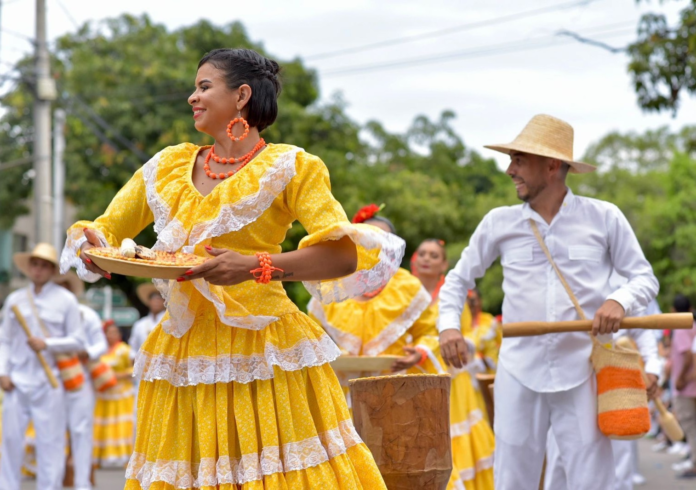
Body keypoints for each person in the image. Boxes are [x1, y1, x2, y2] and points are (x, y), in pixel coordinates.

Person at [60, 48, 403, 489]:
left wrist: (256, 265)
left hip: (265, 346)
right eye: (195, 87)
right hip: (184, 350)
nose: (191, 97)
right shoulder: (166, 166)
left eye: (204, 87)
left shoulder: (292, 166)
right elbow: (103, 227)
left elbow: (343, 255)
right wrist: (93, 245)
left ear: (241, 95)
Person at [437, 114, 659, 490]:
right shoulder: (498, 222)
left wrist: (618, 301)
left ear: (552, 165)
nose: (510, 170)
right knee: (512, 480)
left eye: (519, 160)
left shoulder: (604, 217)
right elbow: (458, 279)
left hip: (584, 370)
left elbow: (643, 278)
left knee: (592, 481)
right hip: (519, 371)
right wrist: (448, 327)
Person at [412, 238, 495, 489]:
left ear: (444, 265)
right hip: (411, 376)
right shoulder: (402, 291)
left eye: (434, 255)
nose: (427, 258)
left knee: (449, 435)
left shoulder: (451, 296)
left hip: (451, 380)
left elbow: (467, 337)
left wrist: (432, 349)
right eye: (422, 253)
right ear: (414, 260)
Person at [0, 243, 85, 490]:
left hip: (51, 381)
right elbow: (4, 339)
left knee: (50, 443)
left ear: (52, 270)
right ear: (29, 268)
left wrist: (47, 344)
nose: (39, 270)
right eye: (35, 264)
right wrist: (2, 372)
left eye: (45, 266)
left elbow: (78, 340)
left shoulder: (66, 300)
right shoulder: (15, 299)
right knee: (11, 442)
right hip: (16, 380)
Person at [54, 271, 108, 490]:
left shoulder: (86, 314)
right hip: (51, 379)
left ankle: (82, 483)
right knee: (52, 432)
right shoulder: (46, 315)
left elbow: (101, 344)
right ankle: (53, 482)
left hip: (80, 377)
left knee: (81, 430)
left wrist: (87, 352)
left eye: (66, 288)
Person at [92, 320, 134, 468]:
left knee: (121, 424)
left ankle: (123, 457)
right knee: (104, 424)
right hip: (104, 392)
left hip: (121, 393)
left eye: (115, 332)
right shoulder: (101, 351)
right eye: (109, 333)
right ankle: (101, 457)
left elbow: (136, 368)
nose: (112, 335)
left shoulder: (125, 350)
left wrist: (120, 375)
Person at [671, 294, 696, 479]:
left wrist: (681, 378)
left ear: (673, 310)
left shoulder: (680, 328)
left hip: (686, 386)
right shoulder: (692, 325)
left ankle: (694, 465)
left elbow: (688, 354)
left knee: (690, 425)